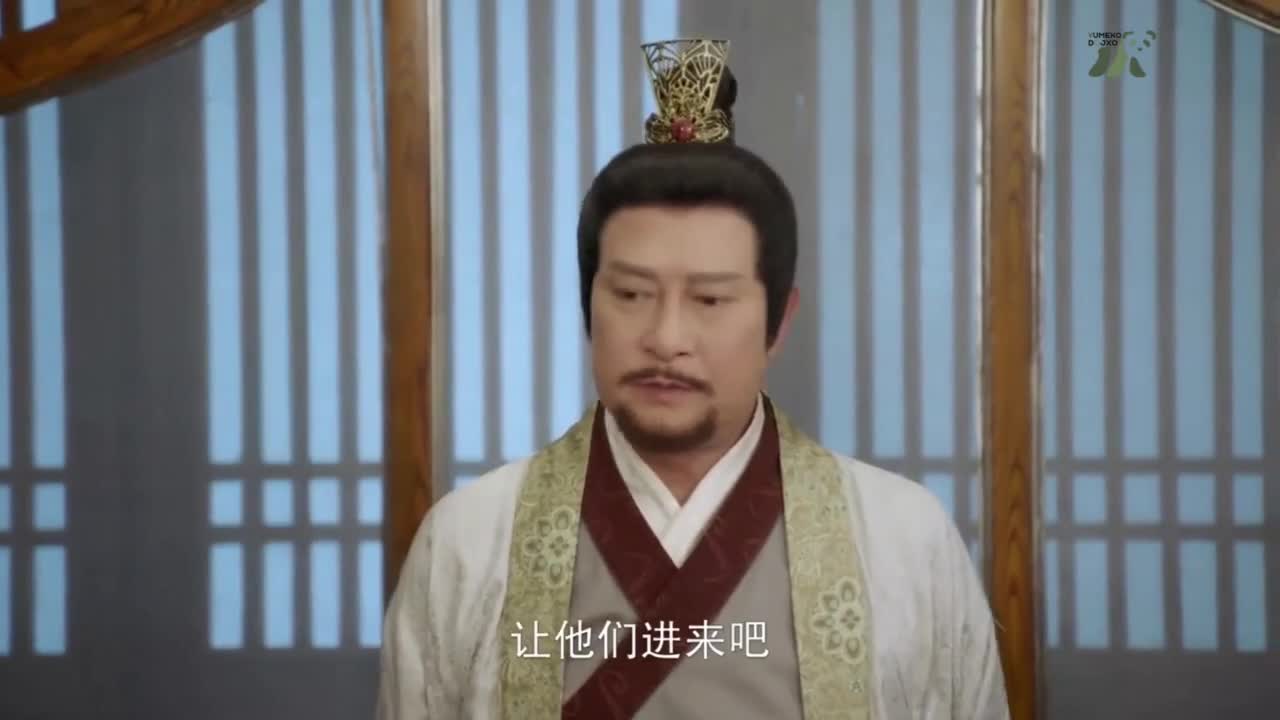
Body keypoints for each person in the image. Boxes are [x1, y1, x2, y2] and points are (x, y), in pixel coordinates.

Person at [377, 37, 1010, 720]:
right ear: (588, 305)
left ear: (779, 321)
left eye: (709, 299)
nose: (666, 338)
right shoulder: (470, 543)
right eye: (631, 294)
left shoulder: (904, 542)